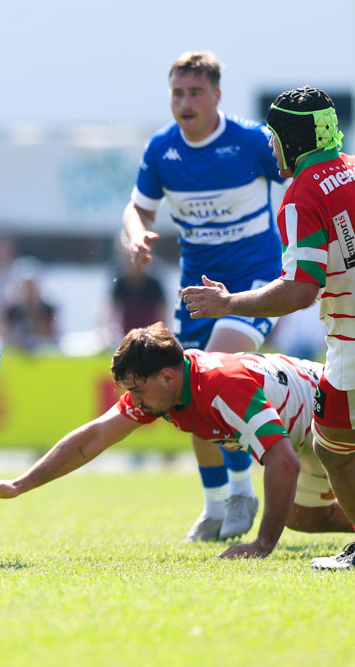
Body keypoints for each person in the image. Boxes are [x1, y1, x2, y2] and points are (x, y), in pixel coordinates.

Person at [0, 323, 352, 559]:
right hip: (307, 435)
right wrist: (20, 484)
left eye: (136, 389)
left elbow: (282, 462)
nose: (134, 400)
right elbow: (91, 439)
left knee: (286, 508)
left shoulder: (220, 387)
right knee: (301, 517)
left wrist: (262, 545)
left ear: (166, 377)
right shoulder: (165, 391)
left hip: (339, 410)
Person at [183, 86, 355, 569]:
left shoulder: (301, 196)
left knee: (335, 449)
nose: (271, 147)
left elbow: (301, 289)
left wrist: (228, 303)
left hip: (351, 339)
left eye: (275, 137)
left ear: (294, 138)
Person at [122, 51, 288, 542]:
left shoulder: (252, 141)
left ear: (217, 95)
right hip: (197, 291)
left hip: (254, 284)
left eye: (196, 92)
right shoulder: (161, 149)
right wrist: (136, 234)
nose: (185, 102)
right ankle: (215, 504)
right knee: (185, 391)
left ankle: (241, 491)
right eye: (178, 93)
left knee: (215, 369)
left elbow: (301, 182)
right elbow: (138, 209)